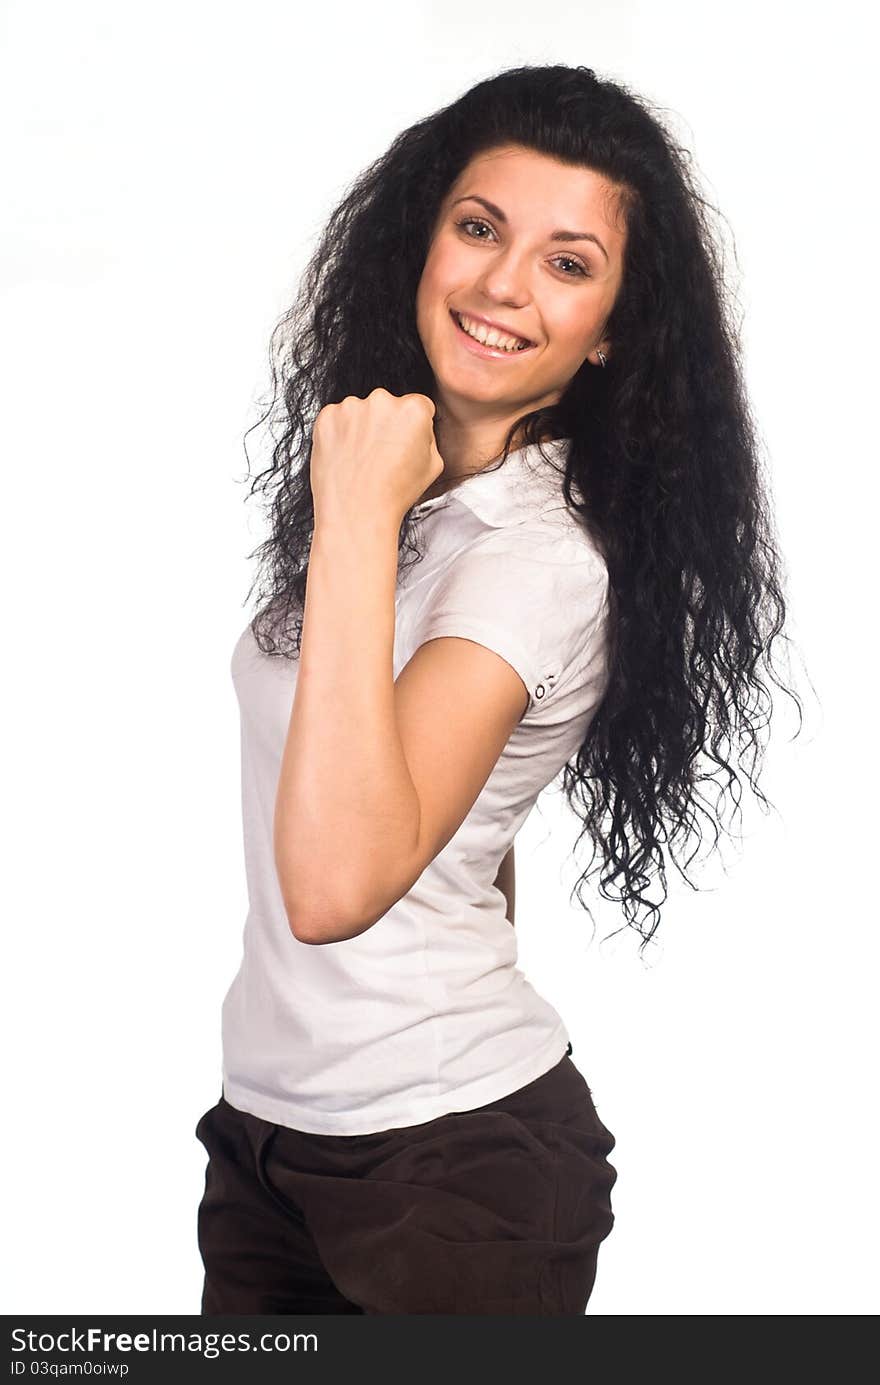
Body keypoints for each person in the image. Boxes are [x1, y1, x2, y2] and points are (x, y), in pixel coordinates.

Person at [194, 63, 801, 1316]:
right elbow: (461, 826)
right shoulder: (415, 485)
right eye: (479, 228)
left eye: (567, 263)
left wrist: (355, 514)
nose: (501, 285)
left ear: (615, 324)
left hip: (453, 1171)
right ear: (422, 238)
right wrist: (377, 507)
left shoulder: (529, 553)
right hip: (266, 1139)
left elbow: (331, 887)